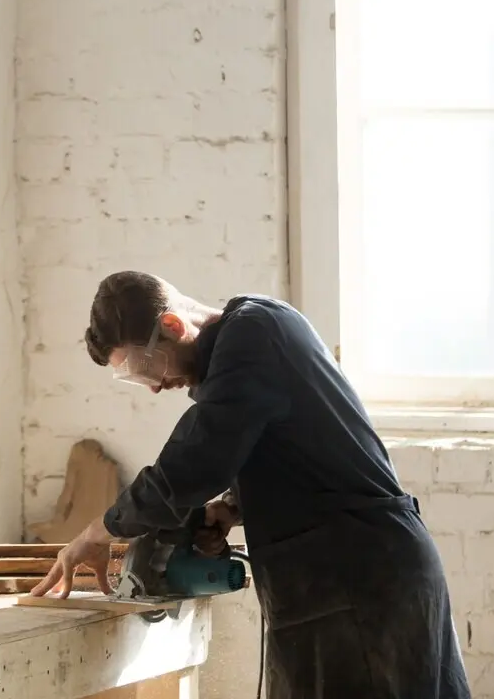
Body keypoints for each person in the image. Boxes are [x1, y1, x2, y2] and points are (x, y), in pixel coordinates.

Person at [30, 271, 471, 699]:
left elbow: (193, 466)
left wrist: (98, 531)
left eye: (147, 367)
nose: (155, 387)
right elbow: (298, 453)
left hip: (358, 581)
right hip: (344, 580)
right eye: (137, 377)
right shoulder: (251, 341)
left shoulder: (253, 334)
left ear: (172, 325)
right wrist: (231, 508)